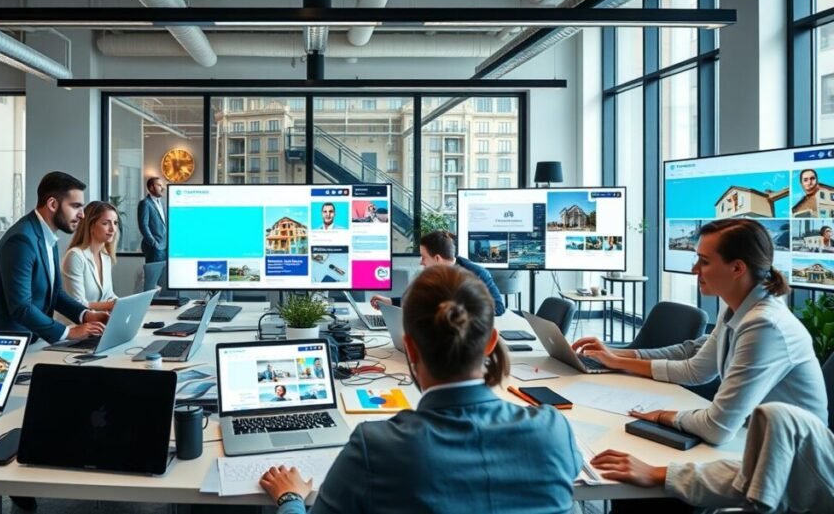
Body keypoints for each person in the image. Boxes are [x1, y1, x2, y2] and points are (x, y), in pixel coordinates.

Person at [260, 265, 581, 514]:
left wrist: (290, 498)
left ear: (409, 349)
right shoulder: (553, 430)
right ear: (491, 343)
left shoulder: (375, 447)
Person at [572, 218, 826, 445]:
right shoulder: (736, 309)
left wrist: (661, 416)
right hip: (754, 441)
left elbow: (716, 428)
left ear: (737, 268)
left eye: (704, 261)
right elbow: (696, 370)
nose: (694, 269)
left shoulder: (765, 325)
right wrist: (618, 360)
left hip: (791, 461)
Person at [590, 403, 834, 513]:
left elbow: (717, 427)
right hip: (764, 451)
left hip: (773, 452)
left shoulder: (766, 325)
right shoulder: (733, 319)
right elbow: (695, 363)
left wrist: (666, 416)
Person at [0, 172, 108, 345]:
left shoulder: (47, 236)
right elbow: (21, 306)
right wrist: (69, 332)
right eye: (76, 206)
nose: (82, 214)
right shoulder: (21, 240)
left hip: (28, 339)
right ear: (52, 204)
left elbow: (56, 293)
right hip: (1, 342)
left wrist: (86, 315)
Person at [370, 230, 505, 316]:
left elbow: (498, 307)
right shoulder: (433, 275)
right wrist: (390, 301)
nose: (421, 262)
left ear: (437, 259)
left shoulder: (477, 273)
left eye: (423, 257)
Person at [61, 201, 120, 312]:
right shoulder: (75, 256)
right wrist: (110, 306)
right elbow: (77, 303)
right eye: (106, 223)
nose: (113, 229)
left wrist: (125, 303)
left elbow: (109, 296)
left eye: (115, 223)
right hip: (75, 325)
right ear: (91, 226)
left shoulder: (106, 256)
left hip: (97, 323)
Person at [138, 176, 167, 263]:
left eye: (162, 185)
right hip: (155, 248)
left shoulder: (163, 202)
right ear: (151, 187)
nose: (162, 188)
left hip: (165, 246)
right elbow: (143, 225)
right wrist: (153, 243)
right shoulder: (145, 203)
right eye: (159, 185)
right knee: (154, 275)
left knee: (164, 275)